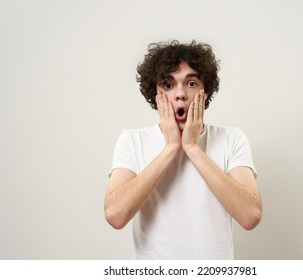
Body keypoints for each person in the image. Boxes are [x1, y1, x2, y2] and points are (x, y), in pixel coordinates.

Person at [104, 40, 262, 259]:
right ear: (156, 93)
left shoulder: (231, 139)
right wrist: (170, 147)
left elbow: (250, 216)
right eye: (168, 85)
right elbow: (115, 215)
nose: (180, 94)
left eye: (191, 83)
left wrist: (192, 147)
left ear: (204, 91)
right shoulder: (132, 140)